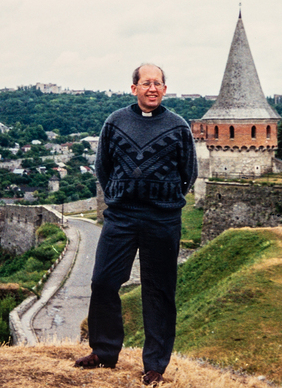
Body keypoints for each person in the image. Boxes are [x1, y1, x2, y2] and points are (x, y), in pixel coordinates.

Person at [75, 63, 198, 386]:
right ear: (134, 89)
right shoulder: (115, 123)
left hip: (162, 218)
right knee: (103, 282)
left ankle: (155, 364)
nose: (152, 88)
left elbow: (189, 173)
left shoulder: (178, 127)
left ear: (165, 89)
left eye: (158, 84)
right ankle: (104, 351)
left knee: (158, 291)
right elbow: (104, 168)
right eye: (146, 83)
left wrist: (163, 197)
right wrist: (123, 194)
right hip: (122, 216)